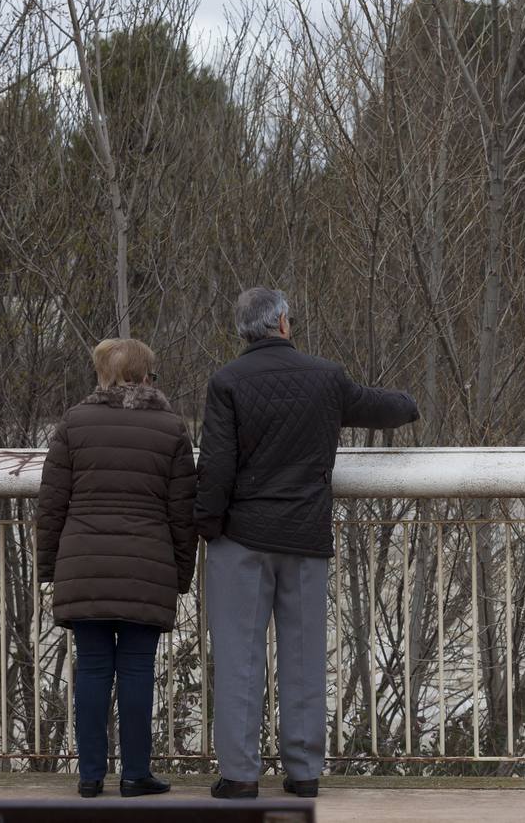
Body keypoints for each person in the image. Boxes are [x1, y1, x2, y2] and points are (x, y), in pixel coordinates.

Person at [196, 288, 418, 800]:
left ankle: (240, 774)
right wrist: (410, 405)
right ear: (283, 324)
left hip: (242, 537)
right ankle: (303, 772)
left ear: (243, 332)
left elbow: (217, 466)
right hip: (305, 534)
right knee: (302, 655)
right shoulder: (326, 377)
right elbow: (377, 407)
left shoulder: (226, 382)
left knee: (239, 658)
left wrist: (207, 525)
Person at [36, 338, 198, 799]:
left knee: (90, 670)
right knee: (136, 669)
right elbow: (182, 512)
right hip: (147, 566)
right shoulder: (170, 428)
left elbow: (52, 505)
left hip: (83, 564)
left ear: (102, 374)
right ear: (147, 375)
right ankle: (135, 775)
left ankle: (89, 776)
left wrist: (51, 568)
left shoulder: (74, 422)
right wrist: (179, 574)